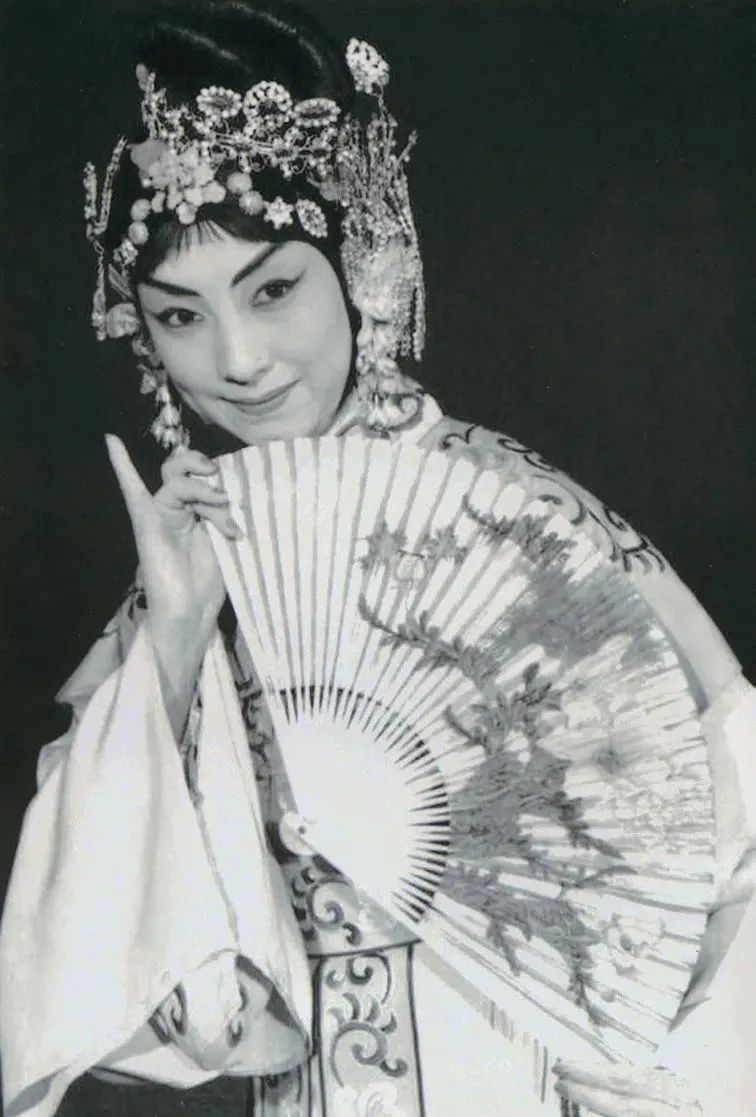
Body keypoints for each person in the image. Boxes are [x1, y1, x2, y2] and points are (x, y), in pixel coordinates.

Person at [1, 2, 754, 1115]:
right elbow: (119, 978)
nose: (239, 360)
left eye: (273, 290)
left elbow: (725, 812)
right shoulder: (198, 565)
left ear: (360, 260)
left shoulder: (514, 515)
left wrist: (670, 1070)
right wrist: (172, 648)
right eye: (180, 316)